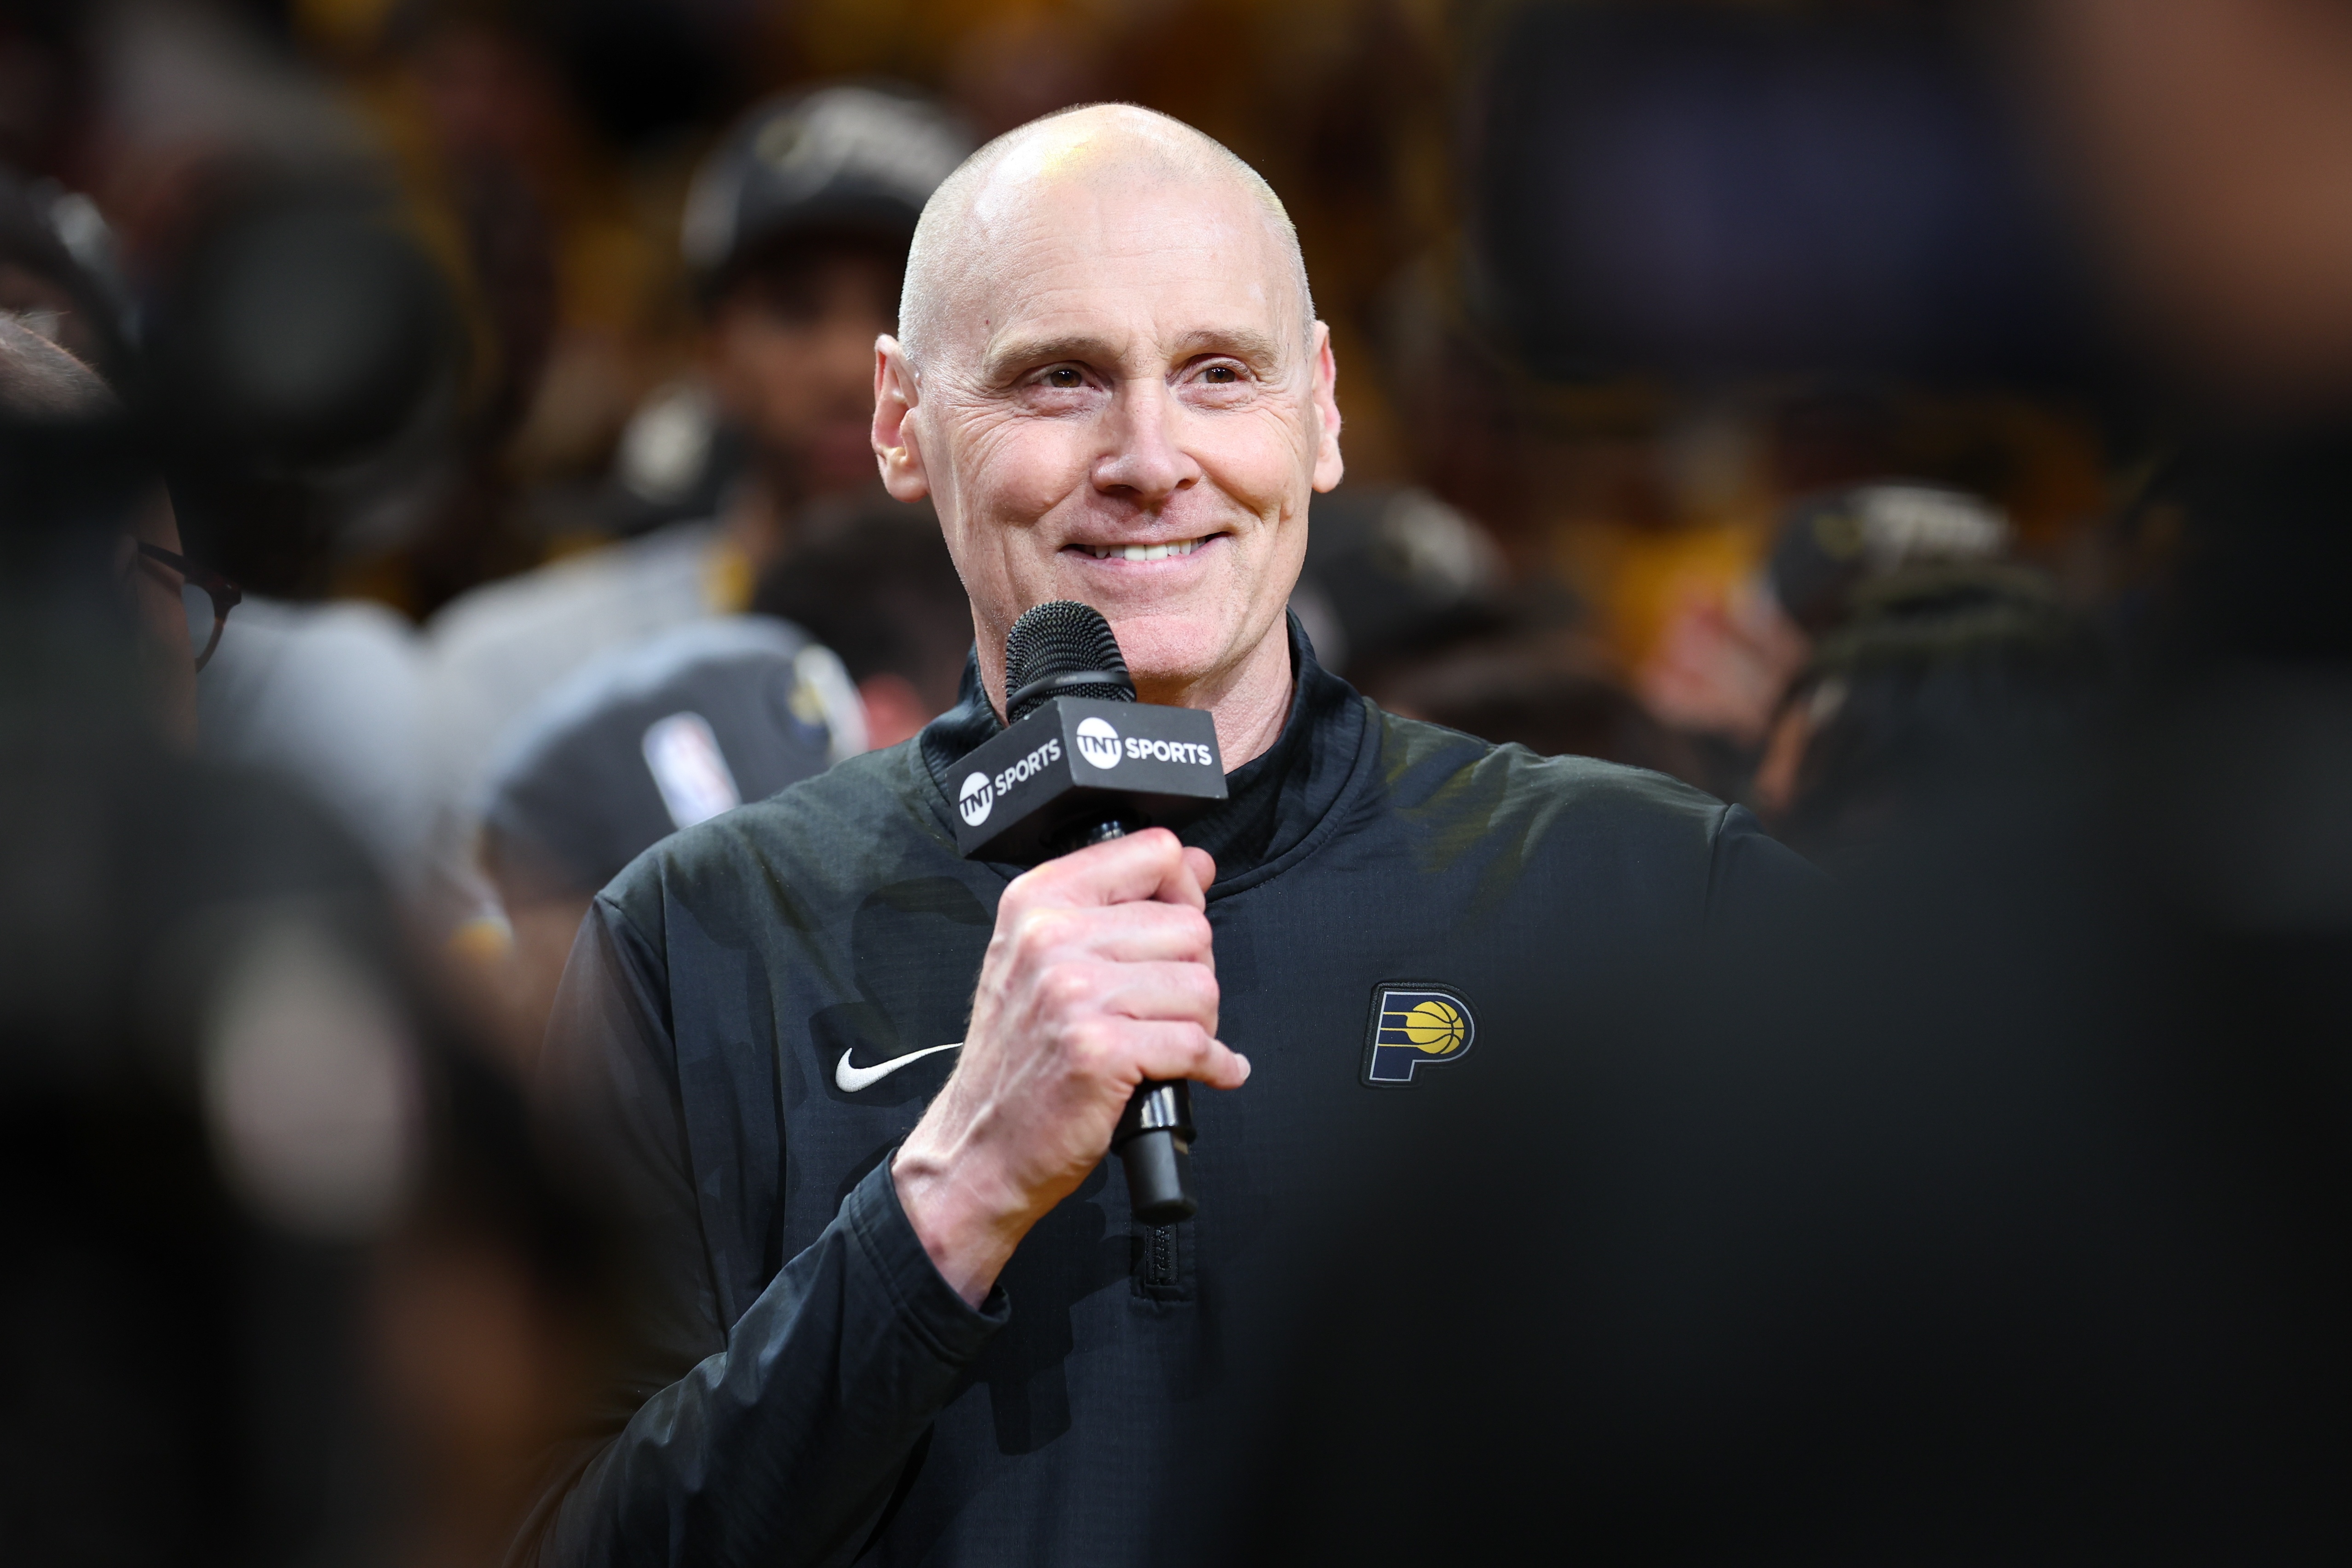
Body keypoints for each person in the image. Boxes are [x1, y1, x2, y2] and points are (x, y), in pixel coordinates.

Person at [521, 104, 1814, 1564]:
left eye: (1217, 374)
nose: (1150, 457)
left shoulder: (1658, 893)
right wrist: (948, 1201)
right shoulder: (696, 941)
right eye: (1059, 378)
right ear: (900, 420)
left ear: (1321, 410)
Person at [421, 85, 972, 930]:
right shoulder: (517, 675)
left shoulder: (1093, 660)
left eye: (903, 311)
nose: (847, 367)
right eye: (794, 308)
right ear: (712, 348)